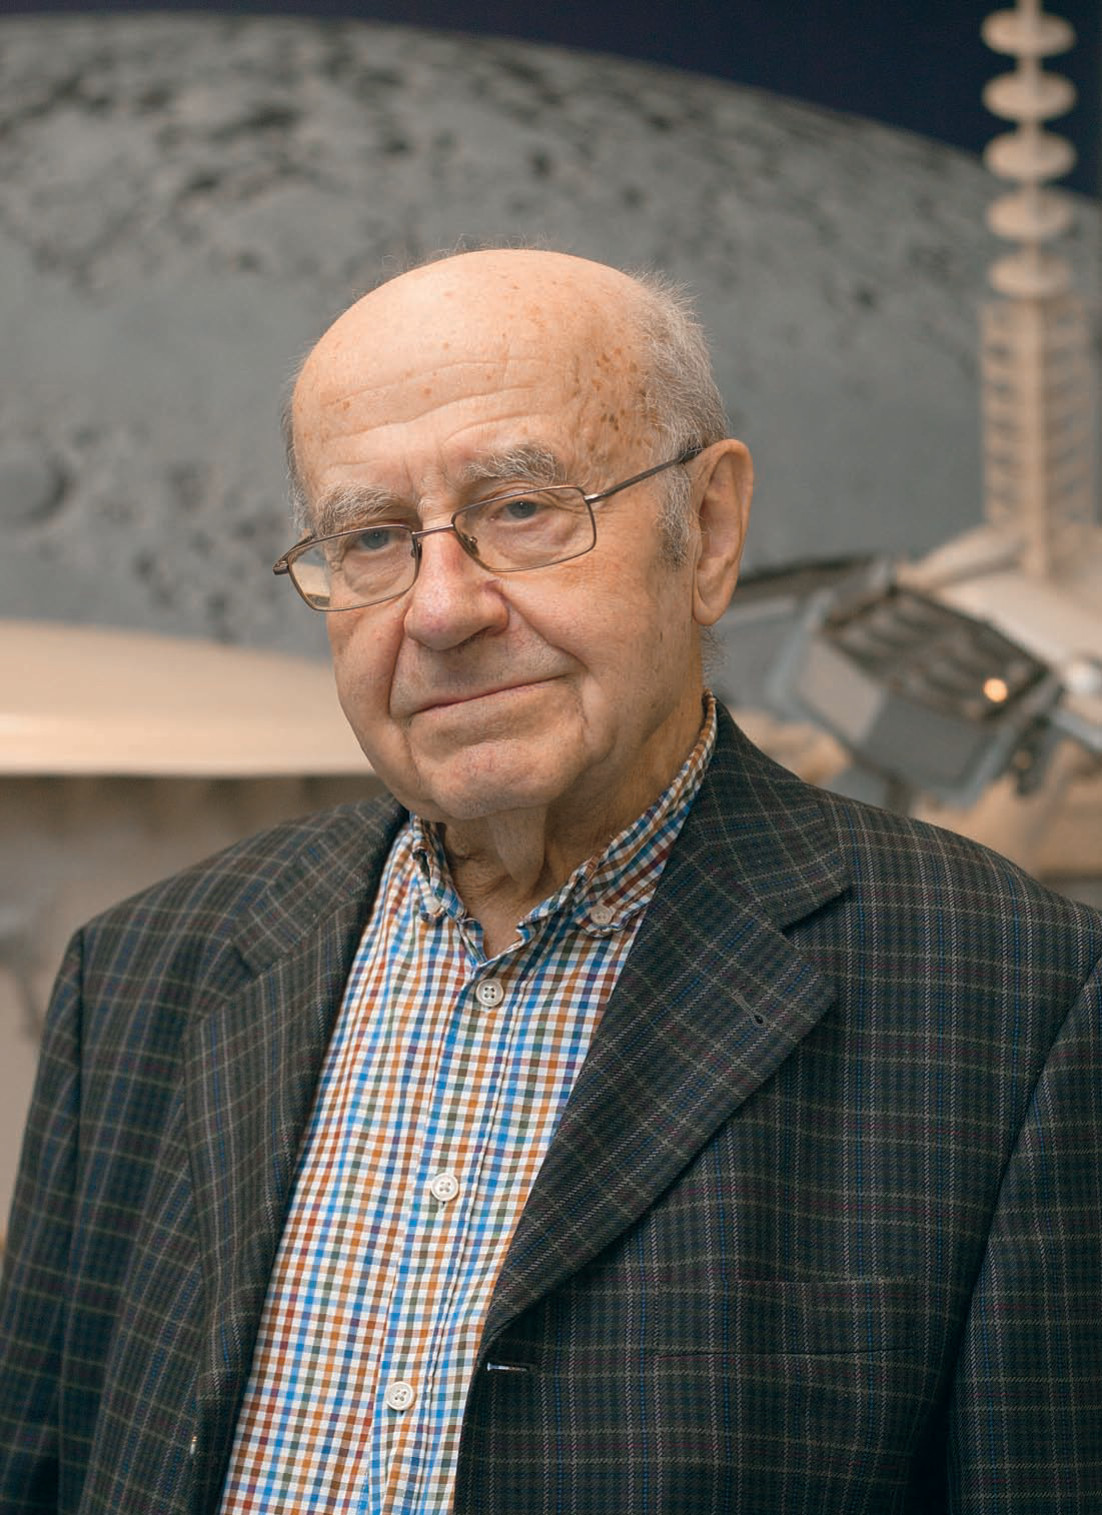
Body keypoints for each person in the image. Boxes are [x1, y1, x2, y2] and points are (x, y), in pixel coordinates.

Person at [1, 248, 1099, 1514]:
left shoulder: (1013, 1007)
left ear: (708, 532)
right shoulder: (144, 976)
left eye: (522, 509)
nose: (441, 610)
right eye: (371, 538)